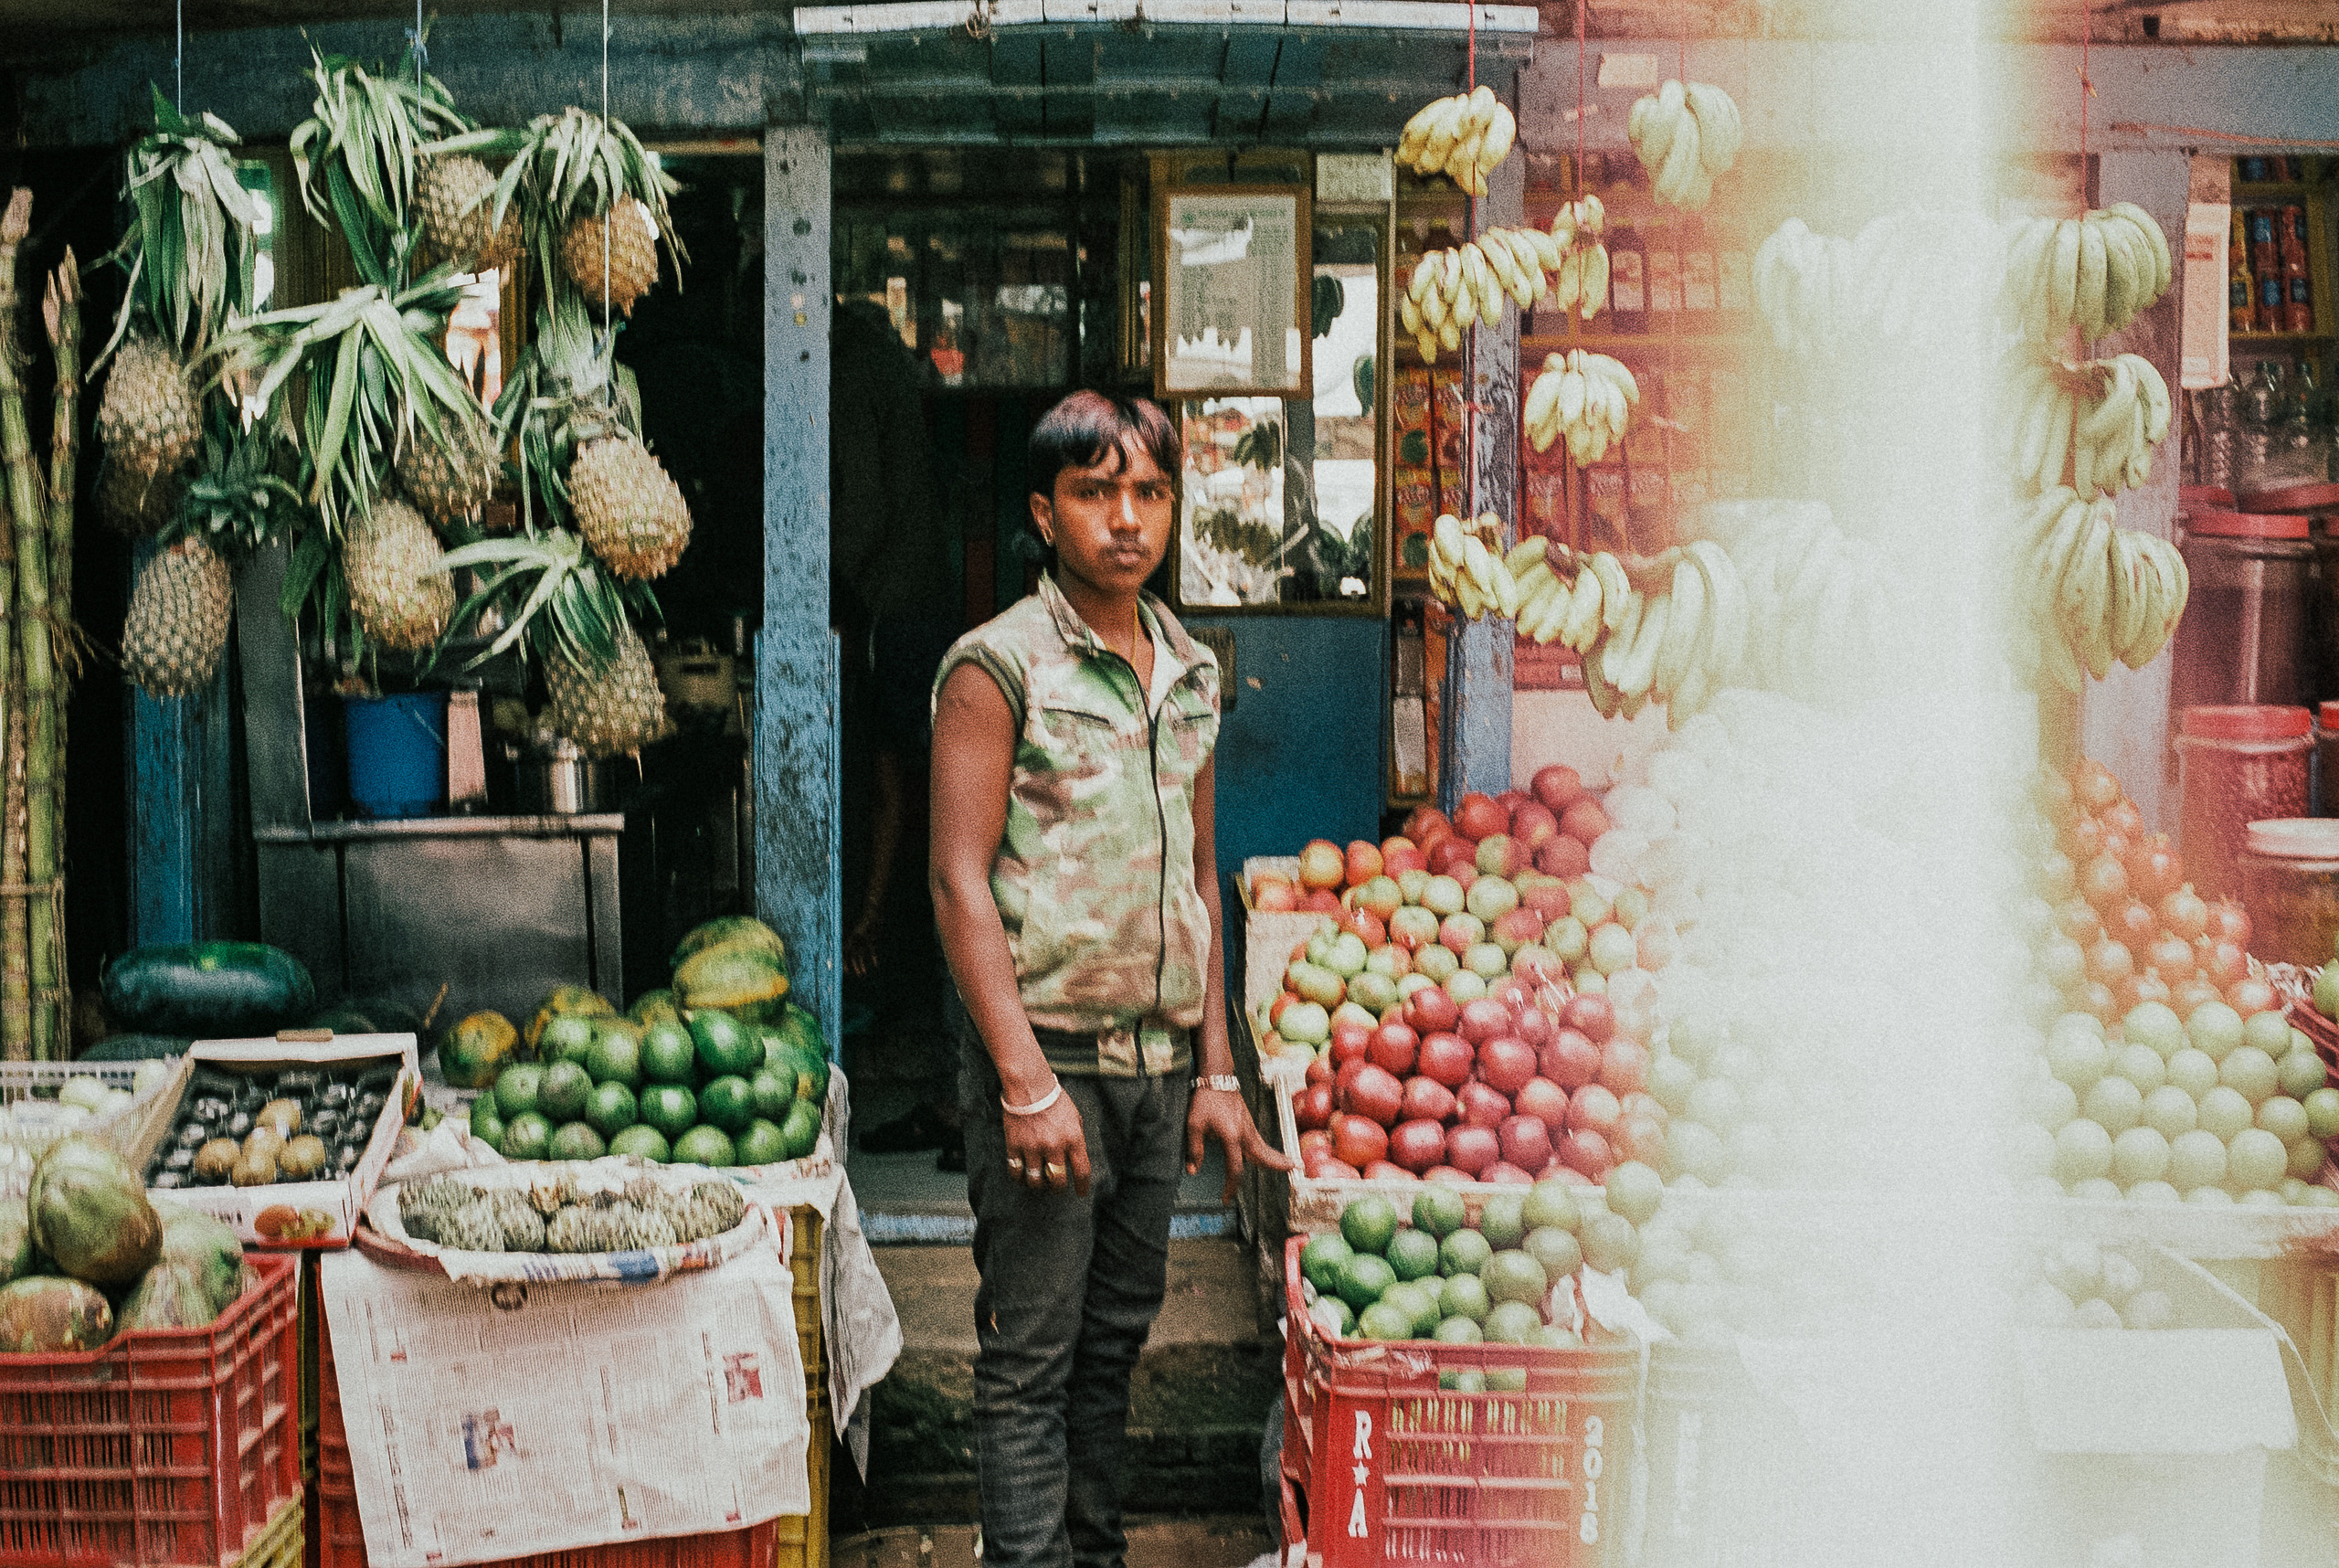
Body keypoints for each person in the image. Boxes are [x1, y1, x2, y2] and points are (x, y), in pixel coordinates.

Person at [928, 390, 1290, 1568]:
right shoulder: (996, 668)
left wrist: (1218, 1069)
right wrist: (1024, 1082)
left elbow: (1197, 871)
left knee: (1112, 1348)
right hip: (1053, 1066)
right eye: (1095, 493)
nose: (1126, 519)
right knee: (1029, 1356)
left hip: (1157, 1068)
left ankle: (1096, 1553)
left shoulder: (1188, 667)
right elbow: (955, 884)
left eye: (1148, 493)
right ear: (1045, 513)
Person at [831, 299, 966, 1168]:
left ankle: (961, 1096)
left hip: (891, 614)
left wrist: (804, 575)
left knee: (931, 820)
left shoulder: (843, 371)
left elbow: (861, 512)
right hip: (917, 602)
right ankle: (958, 1089)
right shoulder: (884, 365)